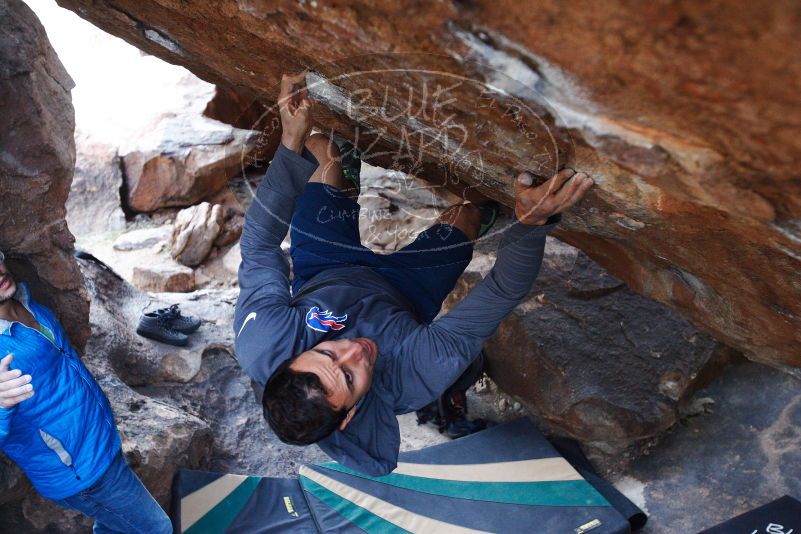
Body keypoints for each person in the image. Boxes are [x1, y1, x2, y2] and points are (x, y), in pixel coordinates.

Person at [234, 71, 593, 476]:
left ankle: (343, 174)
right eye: (351, 377)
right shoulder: (414, 374)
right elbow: (503, 290)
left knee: (321, 151)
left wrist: (289, 139)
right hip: (406, 292)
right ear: (351, 415)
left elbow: (259, 243)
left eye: (327, 352)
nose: (355, 349)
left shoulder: (264, 339)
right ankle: (481, 217)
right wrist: (530, 224)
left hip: (325, 268)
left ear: (290, 360)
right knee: (467, 213)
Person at [0, 252, 171, 533]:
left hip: (99, 442)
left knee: (113, 526)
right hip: (81, 471)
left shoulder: (30, 305)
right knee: (157, 528)